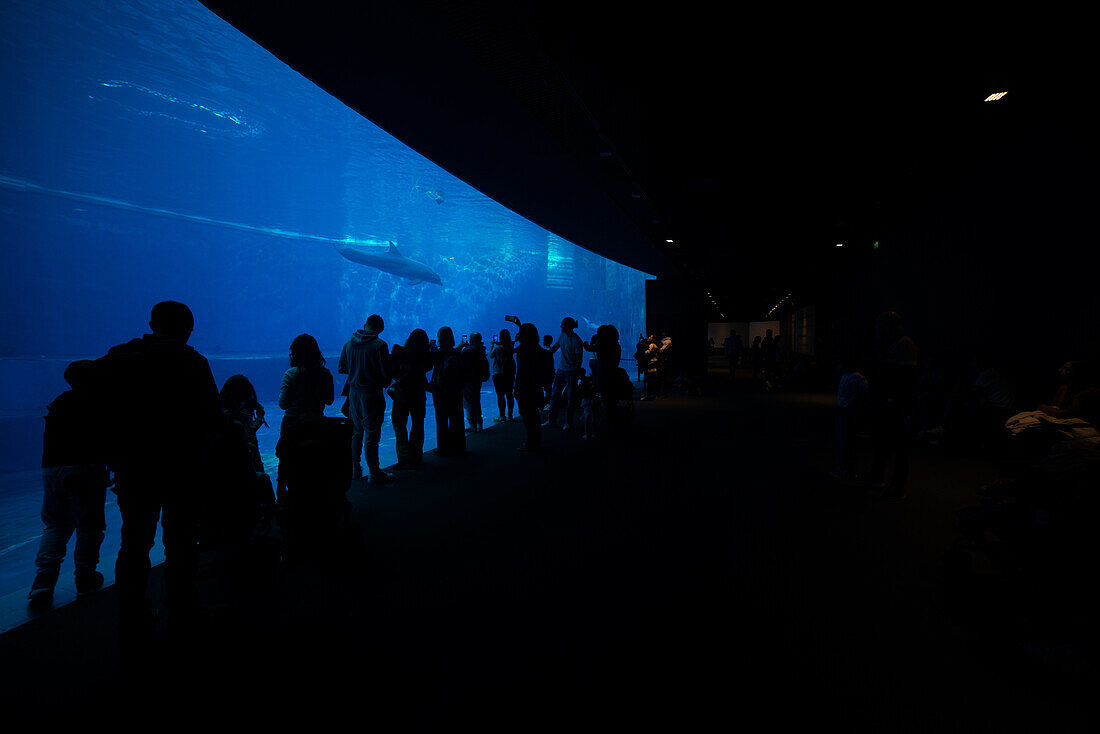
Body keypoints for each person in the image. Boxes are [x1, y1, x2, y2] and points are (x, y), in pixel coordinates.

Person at [96, 301, 221, 658]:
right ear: (187, 329)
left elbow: (77, 375)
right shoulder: (193, 362)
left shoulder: (125, 357)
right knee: (181, 542)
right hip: (182, 467)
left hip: (136, 467)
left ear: (152, 325)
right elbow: (212, 417)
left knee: (134, 544)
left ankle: (131, 614)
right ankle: (182, 610)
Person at [28, 360, 109, 603]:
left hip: (51, 469)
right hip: (83, 469)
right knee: (89, 524)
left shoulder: (59, 402)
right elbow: (103, 438)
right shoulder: (95, 403)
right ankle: (85, 575)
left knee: (55, 524)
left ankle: (44, 580)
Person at [868, 311, 919, 500]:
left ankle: (897, 486)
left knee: (898, 445)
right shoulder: (892, 343)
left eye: (880, 324)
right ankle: (879, 477)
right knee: (885, 442)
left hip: (896, 403)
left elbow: (906, 379)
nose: (877, 328)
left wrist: (896, 400)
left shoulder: (904, 344)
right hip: (889, 401)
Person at [338, 314, 394, 483]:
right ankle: (374, 471)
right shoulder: (380, 345)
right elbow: (386, 374)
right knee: (371, 433)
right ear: (381, 328)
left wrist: (357, 371)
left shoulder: (349, 343)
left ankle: (355, 469)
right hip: (372, 394)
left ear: (365, 324)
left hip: (354, 394)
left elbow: (342, 368)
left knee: (356, 432)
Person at [277, 334, 335, 496]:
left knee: (287, 459)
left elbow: (282, 404)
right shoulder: (325, 374)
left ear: (295, 353)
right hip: (317, 423)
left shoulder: (291, 374)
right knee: (313, 462)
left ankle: (282, 496)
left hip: (293, 425)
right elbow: (329, 400)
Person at [390, 329, 432, 469]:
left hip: (401, 394)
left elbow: (393, 370)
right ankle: (416, 457)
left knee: (399, 423)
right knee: (417, 424)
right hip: (418, 394)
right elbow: (428, 367)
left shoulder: (400, 353)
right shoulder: (425, 357)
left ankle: (403, 457)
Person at [831, 359, 870, 481]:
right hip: (844, 410)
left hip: (846, 410)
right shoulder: (851, 377)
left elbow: (866, 391)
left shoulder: (855, 377)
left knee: (845, 440)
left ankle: (846, 469)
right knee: (844, 440)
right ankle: (846, 469)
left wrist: (854, 402)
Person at [431, 326, 466, 456]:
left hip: (440, 390)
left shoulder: (436, 353)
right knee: (456, 417)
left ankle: (443, 448)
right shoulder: (457, 353)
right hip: (455, 389)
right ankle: (458, 447)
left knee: (441, 419)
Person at [544, 317, 584, 429]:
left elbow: (579, 360)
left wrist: (576, 373)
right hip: (561, 370)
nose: (560, 326)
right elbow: (555, 348)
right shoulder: (562, 336)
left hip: (571, 372)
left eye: (562, 324)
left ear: (567, 326)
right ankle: (552, 420)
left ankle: (568, 422)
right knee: (554, 395)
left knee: (571, 398)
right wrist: (547, 351)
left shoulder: (577, 341)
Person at [515, 322, 545, 450]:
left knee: (527, 414)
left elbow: (521, 371)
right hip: (534, 386)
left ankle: (530, 442)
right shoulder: (537, 348)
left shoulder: (523, 350)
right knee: (533, 414)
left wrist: (517, 387)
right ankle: (535, 441)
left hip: (524, 386)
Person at [460, 332, 490, 433]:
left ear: (471, 339)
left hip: (469, 379)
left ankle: (472, 424)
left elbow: (459, 356)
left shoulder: (469, 350)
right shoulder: (481, 349)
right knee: (476, 401)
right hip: (477, 379)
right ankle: (479, 422)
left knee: (470, 402)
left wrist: (461, 346)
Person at [490, 329, 516, 422]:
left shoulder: (497, 348)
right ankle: (510, 414)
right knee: (509, 394)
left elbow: (490, 355)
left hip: (498, 374)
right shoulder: (511, 347)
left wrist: (492, 344)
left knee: (500, 395)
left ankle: (502, 415)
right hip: (509, 374)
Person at [541, 334, 556, 410]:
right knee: (548, 388)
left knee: (547, 388)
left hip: (547, 372)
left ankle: (548, 403)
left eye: (544, 340)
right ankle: (548, 403)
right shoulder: (550, 350)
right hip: (550, 371)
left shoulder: (547, 351)